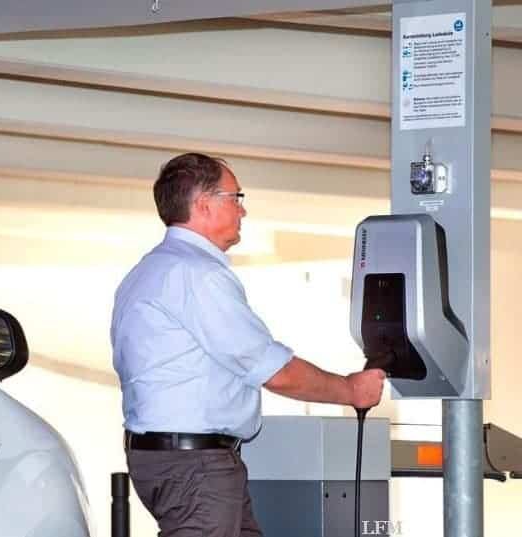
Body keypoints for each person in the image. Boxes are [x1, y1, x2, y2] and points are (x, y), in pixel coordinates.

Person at [110, 153, 385, 537]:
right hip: (196, 466)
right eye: (235, 197)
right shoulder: (196, 275)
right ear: (203, 204)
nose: (243, 210)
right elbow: (273, 370)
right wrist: (351, 390)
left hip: (177, 460)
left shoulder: (147, 271)